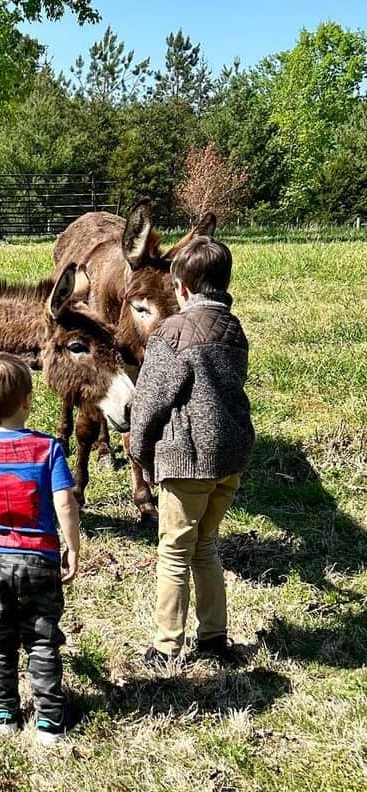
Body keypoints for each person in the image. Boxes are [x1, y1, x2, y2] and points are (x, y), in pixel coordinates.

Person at [129, 236, 254, 667]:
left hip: (188, 460)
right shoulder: (233, 329)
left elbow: (148, 405)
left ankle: (166, 648)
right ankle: (215, 638)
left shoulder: (172, 334)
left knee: (174, 551)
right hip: (229, 458)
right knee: (207, 545)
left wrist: (142, 455)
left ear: (180, 288)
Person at [0, 352, 81, 746]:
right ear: (27, 401)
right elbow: (65, 503)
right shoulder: (48, 449)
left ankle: (5, 711)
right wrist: (72, 546)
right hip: (39, 559)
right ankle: (49, 721)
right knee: (42, 639)